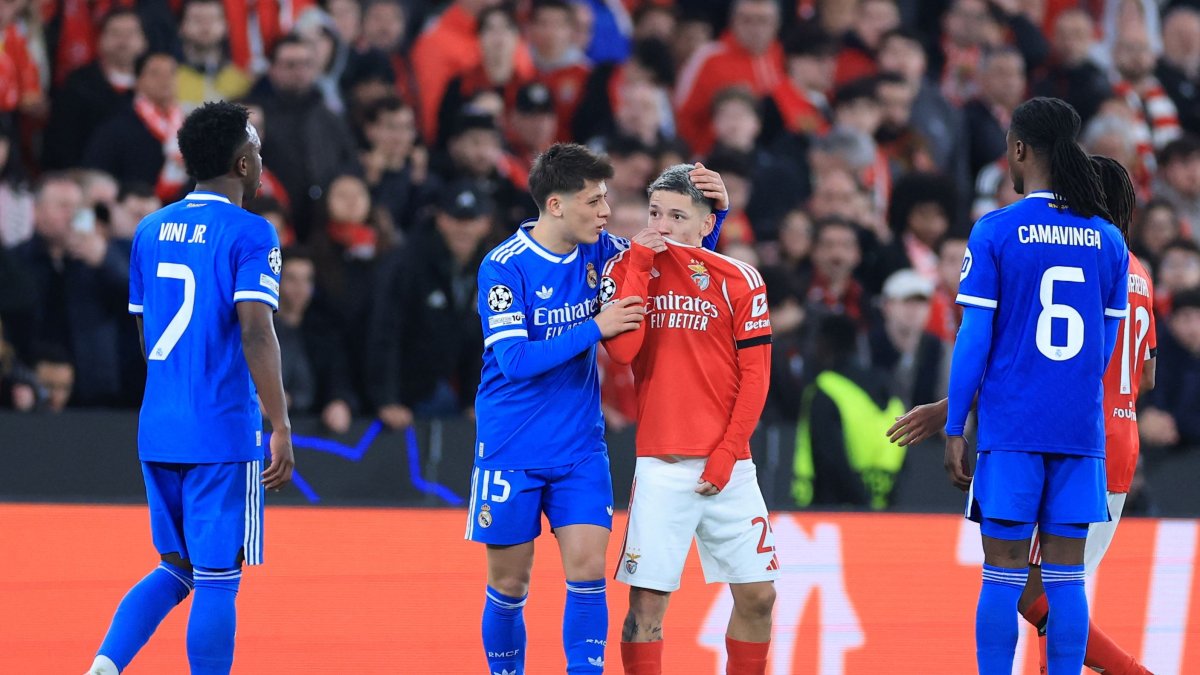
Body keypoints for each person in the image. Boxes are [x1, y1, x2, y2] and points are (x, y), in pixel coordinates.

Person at [885, 155, 1157, 675]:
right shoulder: (1132, 267)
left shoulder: (1077, 261)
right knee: (1056, 589)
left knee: (1031, 590)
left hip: (1064, 438)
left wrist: (952, 412)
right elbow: (1145, 377)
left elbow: (1048, 361)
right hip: (1117, 441)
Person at [468, 143, 722, 675]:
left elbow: (678, 272)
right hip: (511, 446)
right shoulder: (503, 266)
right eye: (595, 200)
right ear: (556, 205)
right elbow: (514, 359)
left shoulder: (604, 251)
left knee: (587, 574)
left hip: (581, 447)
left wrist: (712, 221)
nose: (607, 212)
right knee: (509, 584)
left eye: (607, 199)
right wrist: (595, 327)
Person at [85, 101, 294, 675]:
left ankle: (105, 665)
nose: (259, 156)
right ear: (243, 163)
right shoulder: (252, 232)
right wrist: (279, 423)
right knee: (218, 579)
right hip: (221, 428)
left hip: (160, 424)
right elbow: (256, 329)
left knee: (175, 567)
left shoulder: (150, 229)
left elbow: (143, 326)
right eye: (255, 147)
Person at [943, 97, 1128, 675]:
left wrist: (954, 426)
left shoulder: (997, 230)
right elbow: (1100, 351)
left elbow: (973, 340)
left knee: (1002, 574)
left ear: (1019, 149)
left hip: (1013, 427)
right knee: (1067, 580)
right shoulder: (1108, 240)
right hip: (1079, 432)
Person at [601, 163, 777, 675]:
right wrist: (637, 267)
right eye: (655, 212)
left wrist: (727, 451)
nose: (662, 225)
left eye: (678, 216)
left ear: (706, 225)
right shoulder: (626, 271)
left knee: (759, 597)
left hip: (730, 468)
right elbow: (622, 351)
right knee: (647, 608)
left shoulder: (739, 278)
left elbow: (757, 377)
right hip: (663, 465)